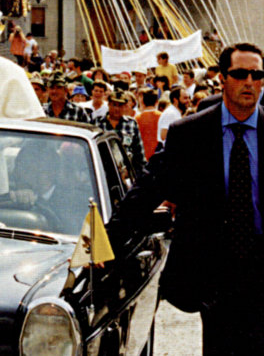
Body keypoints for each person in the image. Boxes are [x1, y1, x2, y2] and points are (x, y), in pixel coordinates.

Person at [112, 43, 264, 354]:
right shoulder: (189, 135)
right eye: (240, 74)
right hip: (217, 274)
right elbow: (147, 190)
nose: (249, 81)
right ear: (222, 78)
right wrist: (107, 242)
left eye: (257, 74)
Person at [93, 91, 146, 174]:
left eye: (120, 106)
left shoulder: (131, 123)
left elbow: (139, 154)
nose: (117, 109)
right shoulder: (97, 123)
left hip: (125, 173)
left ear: (125, 106)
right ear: (108, 104)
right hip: (102, 171)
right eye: (114, 105)